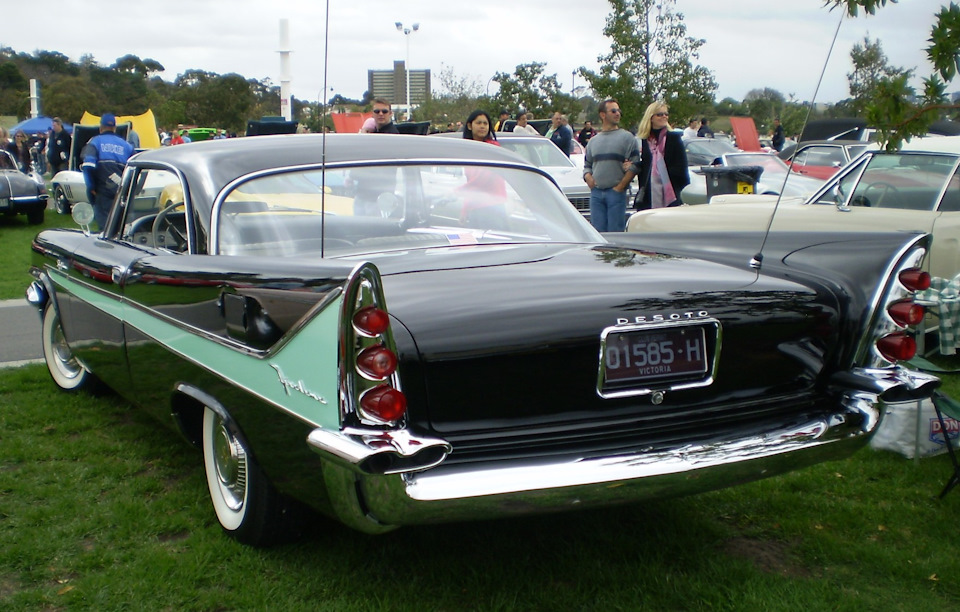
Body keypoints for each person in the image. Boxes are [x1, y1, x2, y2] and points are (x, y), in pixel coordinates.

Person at [582, 99, 640, 232]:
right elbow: (587, 164)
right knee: (598, 234)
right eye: (613, 111)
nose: (617, 114)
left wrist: (620, 187)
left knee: (615, 233)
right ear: (603, 115)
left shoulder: (627, 138)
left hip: (616, 194)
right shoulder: (593, 141)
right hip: (596, 194)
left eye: (619, 111)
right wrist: (588, 177)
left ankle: (615, 254)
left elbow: (635, 165)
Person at [81, 113, 134, 229]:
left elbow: (87, 167)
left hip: (102, 191)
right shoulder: (126, 145)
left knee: (105, 228)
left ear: (100, 127)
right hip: (122, 190)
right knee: (121, 226)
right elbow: (135, 170)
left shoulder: (94, 142)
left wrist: (92, 188)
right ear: (115, 128)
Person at [636, 102, 689, 210]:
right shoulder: (645, 140)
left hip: (671, 192)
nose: (664, 116)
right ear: (651, 117)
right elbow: (645, 166)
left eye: (666, 114)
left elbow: (682, 168)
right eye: (660, 114)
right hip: (649, 193)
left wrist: (662, 172)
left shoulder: (674, 138)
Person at [460, 110, 507, 228]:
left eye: (485, 124)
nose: (482, 126)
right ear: (470, 126)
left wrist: (454, 192)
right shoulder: (468, 150)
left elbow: (481, 178)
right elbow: (471, 185)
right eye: (479, 123)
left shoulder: (493, 147)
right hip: (476, 208)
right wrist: (465, 209)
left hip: (493, 207)